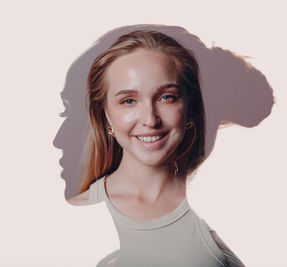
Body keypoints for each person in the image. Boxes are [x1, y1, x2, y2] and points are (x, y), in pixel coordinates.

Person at [68, 30, 244, 267]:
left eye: (166, 97)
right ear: (106, 115)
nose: (150, 119)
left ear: (189, 107)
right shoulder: (76, 217)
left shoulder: (226, 207)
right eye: (128, 100)